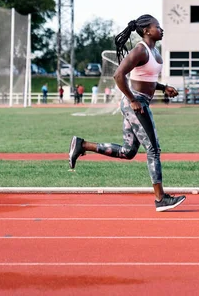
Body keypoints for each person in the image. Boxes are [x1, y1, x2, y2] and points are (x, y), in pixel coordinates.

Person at [68, 14, 185, 212]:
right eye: (158, 27)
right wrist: (132, 100)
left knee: (128, 152)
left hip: (139, 102)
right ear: (147, 30)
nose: (161, 29)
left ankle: (82, 144)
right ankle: (160, 199)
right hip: (136, 103)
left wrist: (163, 87)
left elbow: (146, 79)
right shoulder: (140, 49)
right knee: (153, 149)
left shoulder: (154, 51)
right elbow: (118, 75)